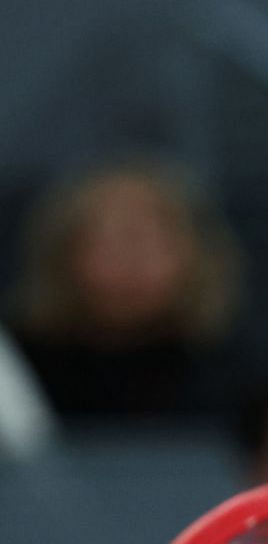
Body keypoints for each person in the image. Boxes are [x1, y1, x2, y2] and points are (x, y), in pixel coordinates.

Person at [5, 159, 245, 418]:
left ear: (196, 257)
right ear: (62, 256)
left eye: (150, 244)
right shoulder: (15, 373)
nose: (131, 264)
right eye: (109, 244)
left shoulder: (237, 380)